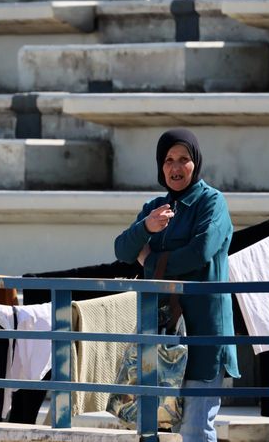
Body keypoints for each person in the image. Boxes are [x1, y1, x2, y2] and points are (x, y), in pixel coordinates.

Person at [114, 128, 239, 442]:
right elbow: (121, 250)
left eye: (184, 159)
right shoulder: (155, 207)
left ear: (195, 163)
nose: (175, 167)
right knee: (150, 428)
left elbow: (201, 251)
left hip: (203, 334)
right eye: (168, 159)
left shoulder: (212, 202)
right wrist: (146, 226)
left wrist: (151, 262)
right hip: (162, 336)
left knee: (196, 429)